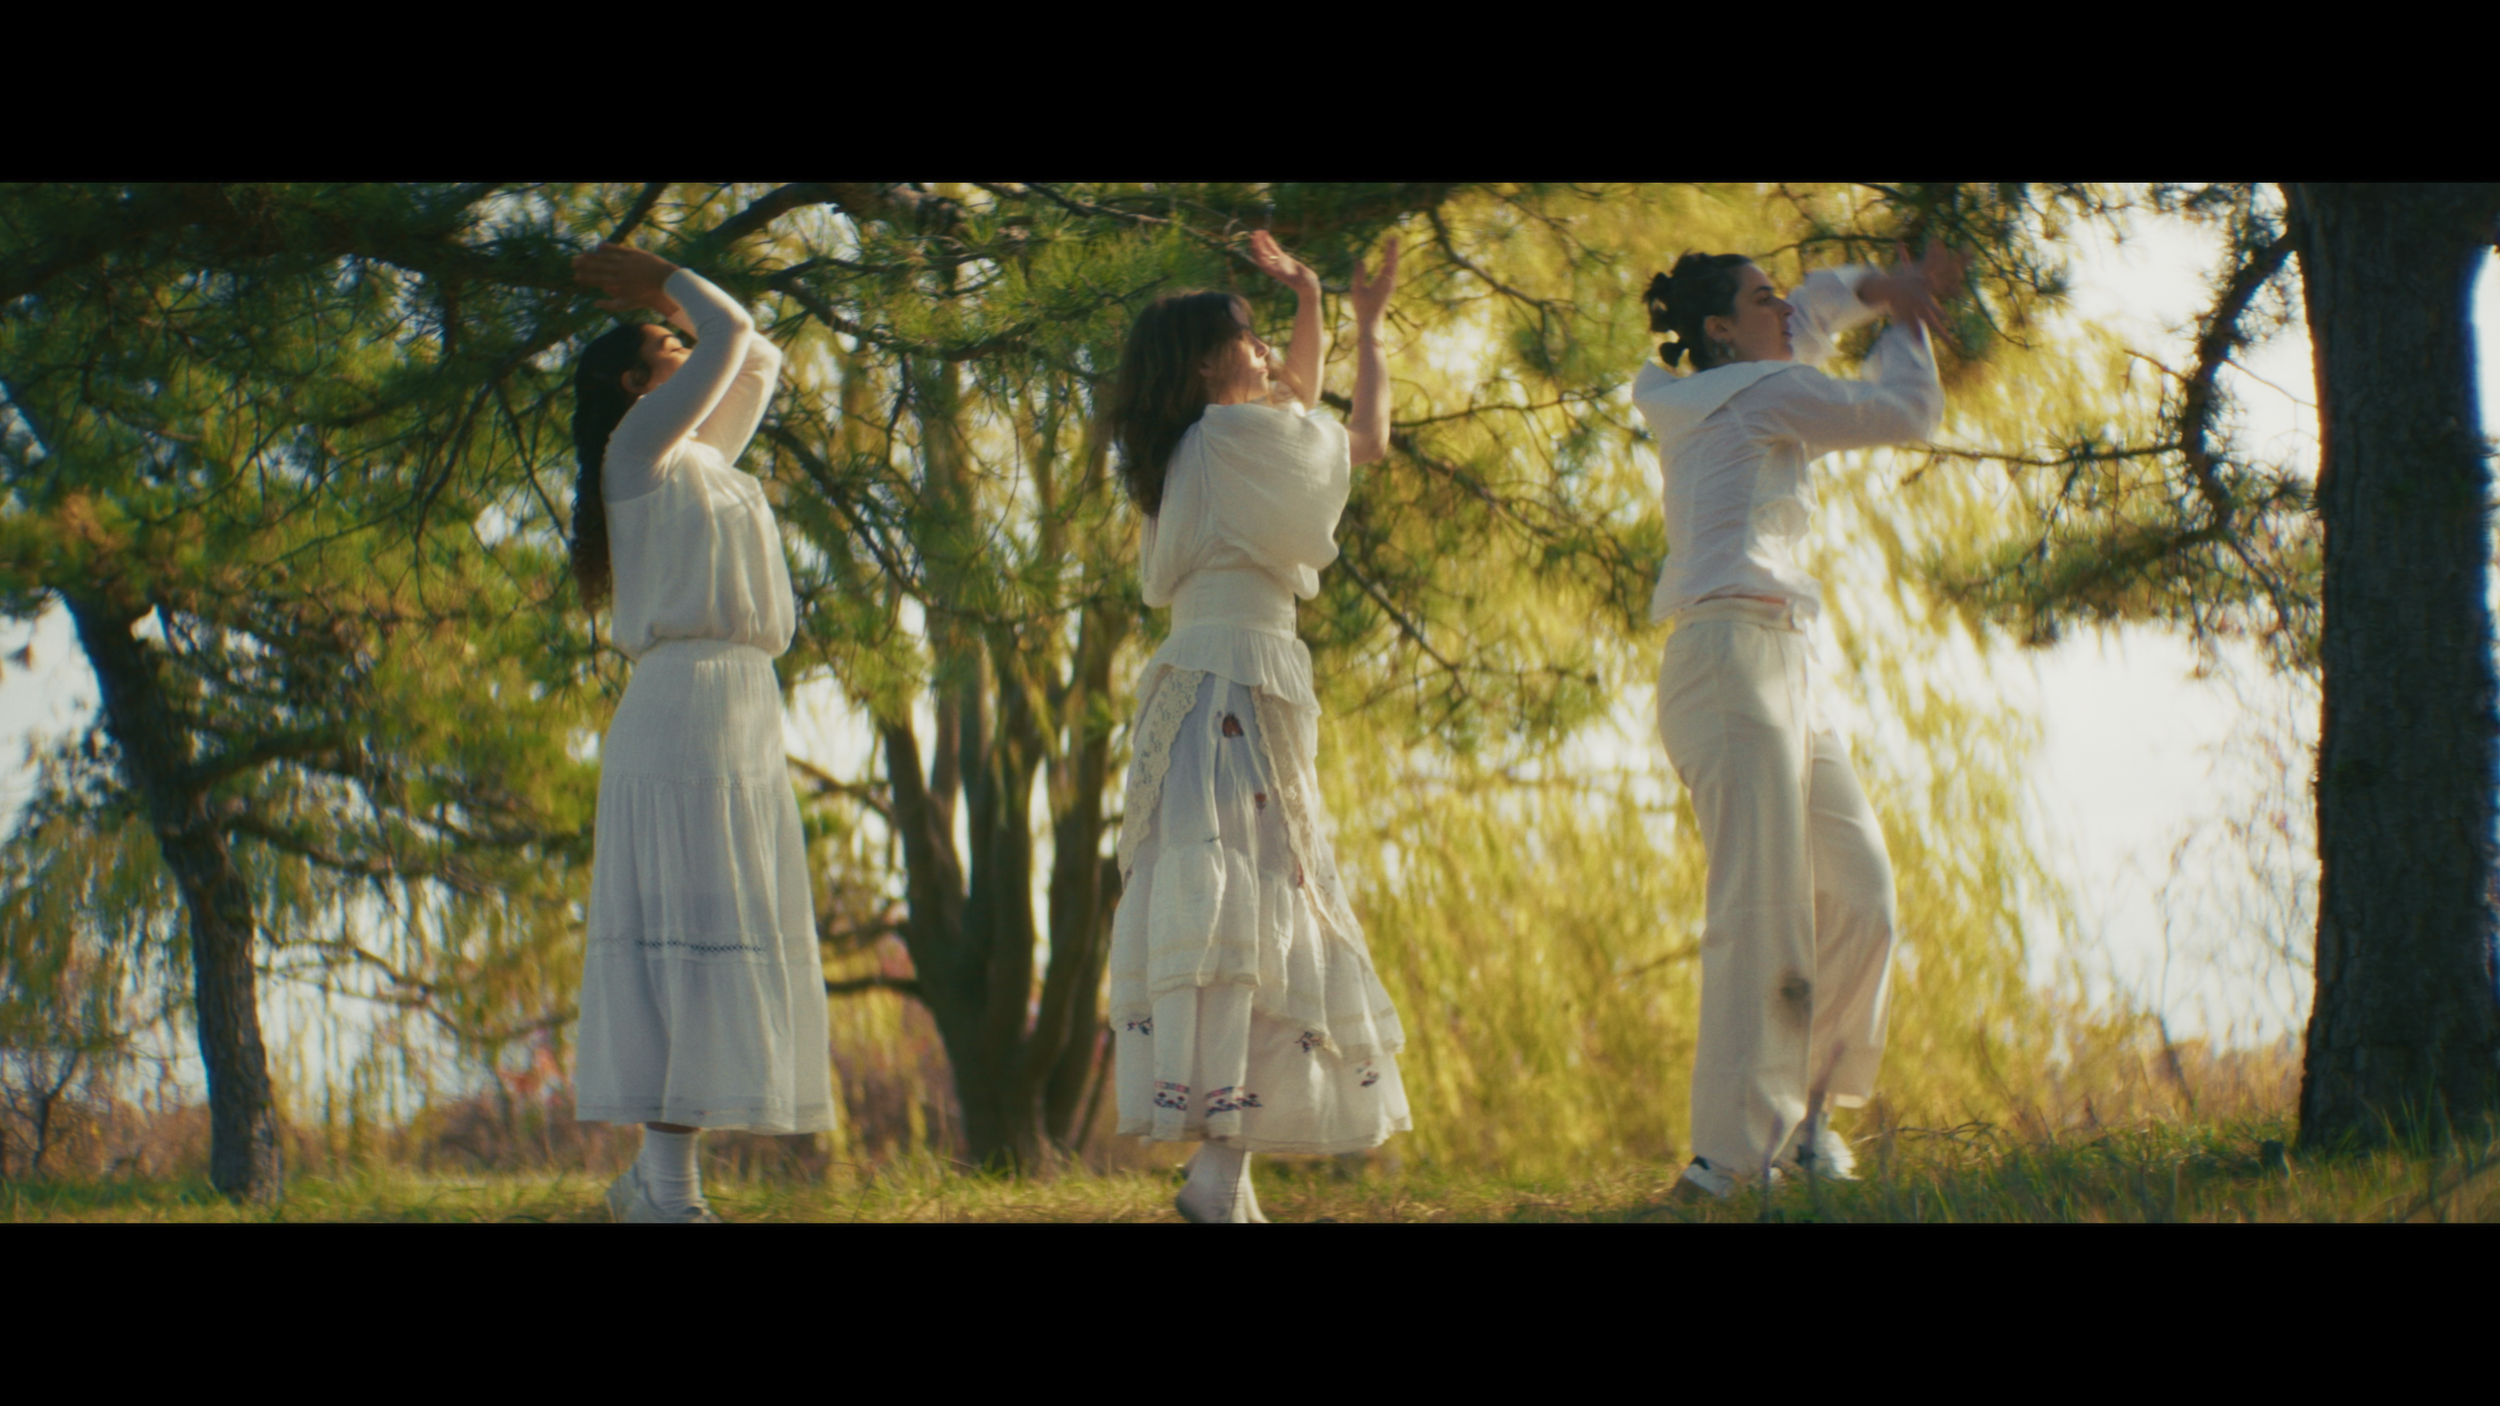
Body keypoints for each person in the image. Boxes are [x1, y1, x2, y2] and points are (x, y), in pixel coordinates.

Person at [1631, 243, 1963, 1198]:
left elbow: (1813, 309)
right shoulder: (1753, 393)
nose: (1786, 308)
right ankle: (1729, 1160)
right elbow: (1908, 412)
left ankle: (1807, 1122)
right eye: (1760, 298)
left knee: (1861, 895)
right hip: (1729, 663)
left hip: (1792, 666)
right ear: (1720, 329)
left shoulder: (1747, 371)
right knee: (1761, 910)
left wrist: (1873, 288)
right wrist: (1903, 320)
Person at [1100, 232, 1411, 1222]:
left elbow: (1331, 429)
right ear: (1206, 363)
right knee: (1252, 910)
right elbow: (1348, 437)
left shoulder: (1208, 445)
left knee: (1257, 914)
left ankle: (1221, 1175)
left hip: (1225, 683)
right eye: (1252, 341)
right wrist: (1336, 318)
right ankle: (1216, 1175)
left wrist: (1336, 313)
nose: (1272, 357)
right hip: (1230, 684)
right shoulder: (1231, 442)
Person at [565, 242, 833, 1222]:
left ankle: (653, 1182)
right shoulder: (633, 457)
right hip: (680, 709)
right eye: (666, 347)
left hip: (739, 707)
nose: (688, 349)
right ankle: (666, 1189)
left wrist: (673, 300)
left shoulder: (705, 463)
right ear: (635, 386)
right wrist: (672, 281)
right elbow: (734, 331)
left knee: (713, 938)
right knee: (682, 946)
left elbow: (753, 359)